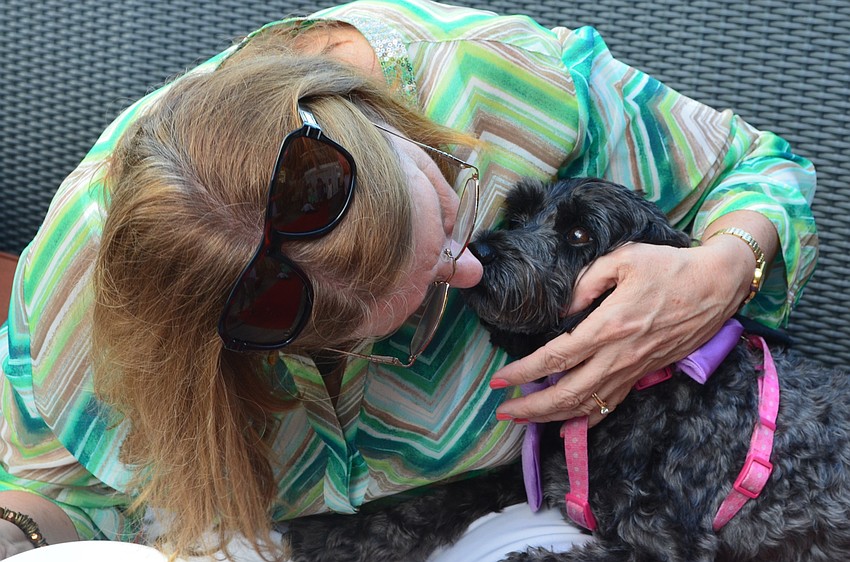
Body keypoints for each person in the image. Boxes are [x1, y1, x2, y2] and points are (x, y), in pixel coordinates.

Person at [0, 0, 817, 559]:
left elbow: (758, 168)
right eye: (404, 319)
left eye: (449, 216)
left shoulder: (502, 82)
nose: (470, 266)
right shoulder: (73, 311)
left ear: (380, 116)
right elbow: (53, 492)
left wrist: (719, 268)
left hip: (523, 507)